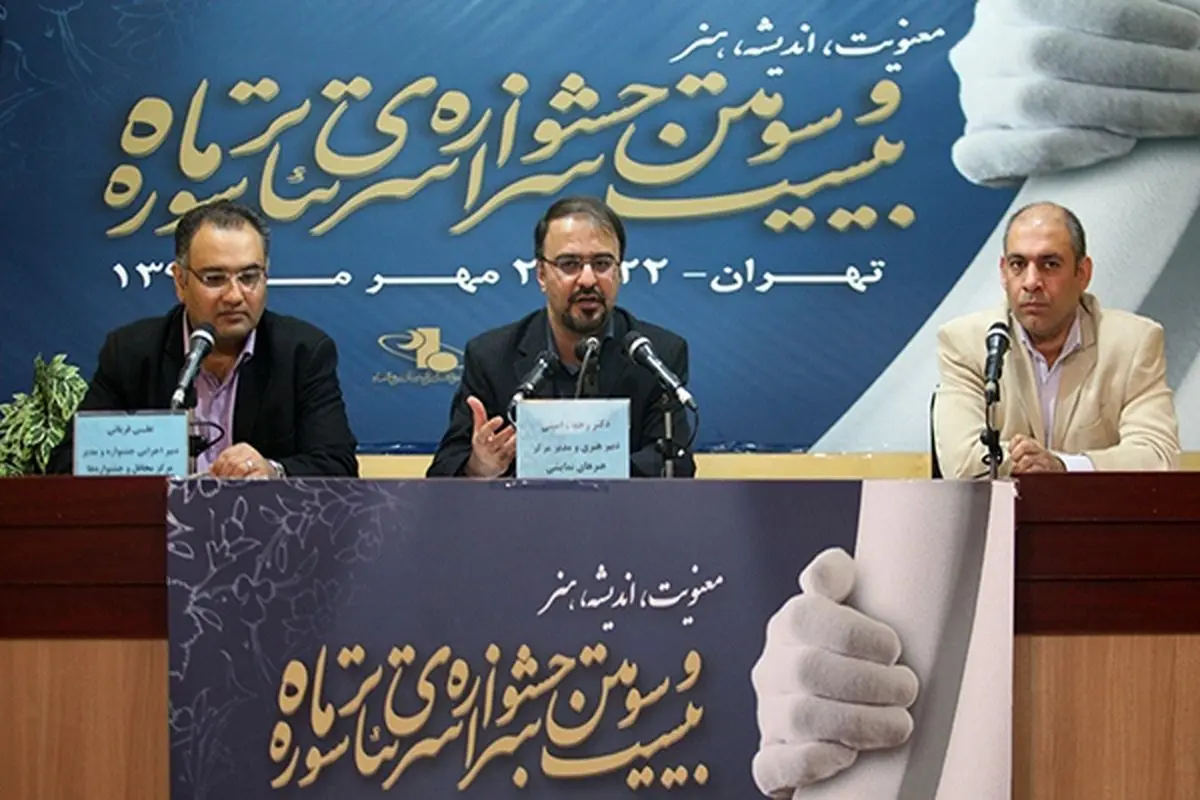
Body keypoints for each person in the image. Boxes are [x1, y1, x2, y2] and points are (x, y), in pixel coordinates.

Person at [47, 200, 358, 477]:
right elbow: (66, 465)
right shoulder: (131, 353)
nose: (234, 295)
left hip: (260, 522)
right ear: (180, 282)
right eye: (214, 279)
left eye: (249, 277)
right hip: (159, 522)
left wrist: (273, 471)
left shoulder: (302, 353)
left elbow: (337, 465)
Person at [426, 195, 696, 478]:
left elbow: (675, 464)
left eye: (602, 263)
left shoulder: (658, 355)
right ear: (541, 274)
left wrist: (583, 474)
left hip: (623, 507)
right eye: (569, 264)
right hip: (521, 508)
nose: (588, 280)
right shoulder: (491, 358)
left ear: (619, 272)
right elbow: (443, 471)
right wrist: (479, 466)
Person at [933, 202, 1180, 478]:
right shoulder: (967, 343)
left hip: (1095, 506)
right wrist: (1032, 463)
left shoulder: (1132, 343)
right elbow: (961, 463)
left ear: (1082, 273)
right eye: (1018, 265)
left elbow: (1157, 457)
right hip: (1002, 507)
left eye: (1049, 265)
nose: (1031, 282)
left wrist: (1064, 466)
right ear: (1003, 272)